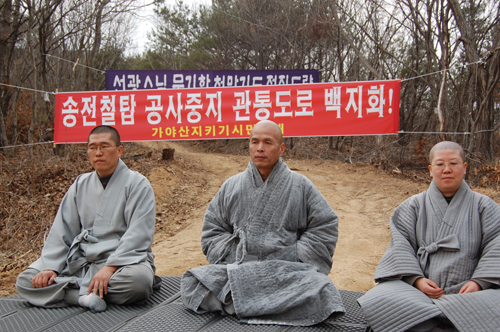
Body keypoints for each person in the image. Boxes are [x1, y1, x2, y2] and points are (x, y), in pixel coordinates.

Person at [181, 120, 345, 326]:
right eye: (254, 142)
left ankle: (241, 305)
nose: (260, 148)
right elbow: (213, 229)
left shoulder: (300, 185)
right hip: (240, 270)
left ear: (281, 148)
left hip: (285, 271)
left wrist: (296, 256)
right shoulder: (232, 185)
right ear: (249, 145)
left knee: (321, 289)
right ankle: (276, 308)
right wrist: (234, 253)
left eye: (268, 142)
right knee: (193, 283)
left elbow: (325, 225)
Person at [358, 141, 500, 332]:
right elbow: (401, 247)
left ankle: (433, 321)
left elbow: (496, 247)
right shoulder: (412, 206)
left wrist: (478, 283)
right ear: (431, 170)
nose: (447, 170)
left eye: (454, 163)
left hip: (469, 295)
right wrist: (416, 280)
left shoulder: (485, 206)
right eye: (440, 164)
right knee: (378, 301)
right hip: (419, 294)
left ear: (464, 168)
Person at [16, 125, 158, 312]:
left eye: (104, 146)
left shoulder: (137, 184)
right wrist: (52, 267)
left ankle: (72, 292)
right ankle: (84, 297)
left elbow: (139, 234)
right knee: (25, 281)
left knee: (138, 283)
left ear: (119, 150)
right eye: (92, 147)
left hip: (122, 264)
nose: (98, 152)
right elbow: (63, 230)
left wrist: (110, 267)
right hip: (82, 260)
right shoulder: (80, 184)